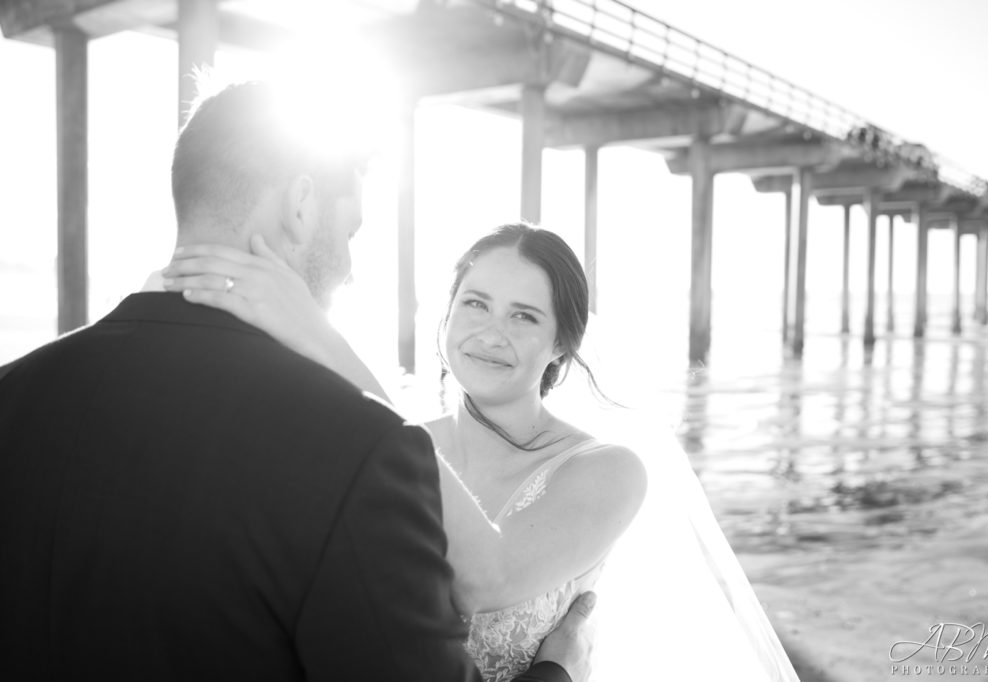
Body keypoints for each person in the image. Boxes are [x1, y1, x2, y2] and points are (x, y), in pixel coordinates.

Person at [0, 80, 594, 682]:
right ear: (301, 206)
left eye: (523, 315)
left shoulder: (12, 392)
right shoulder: (360, 450)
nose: (353, 270)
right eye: (352, 232)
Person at [163, 223, 649, 682]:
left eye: (523, 315)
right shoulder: (395, 444)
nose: (491, 333)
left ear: (563, 342)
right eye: (475, 303)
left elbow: (485, 579)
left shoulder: (607, 470)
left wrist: (316, 337)